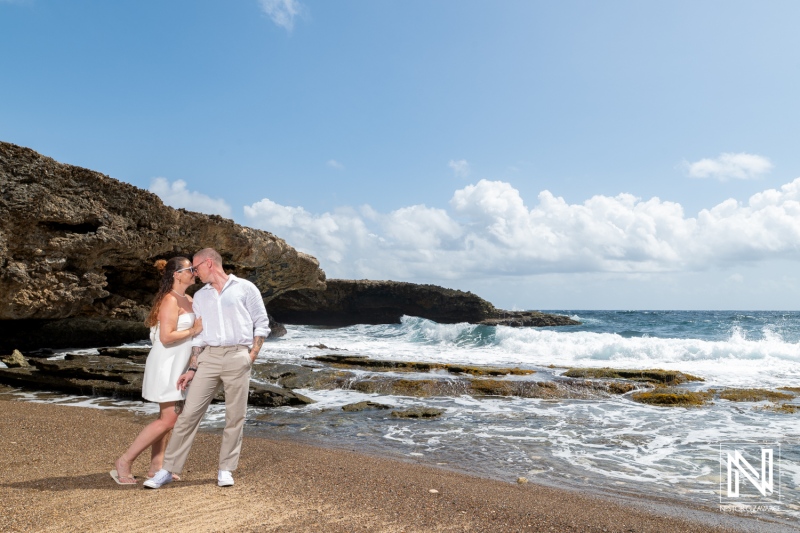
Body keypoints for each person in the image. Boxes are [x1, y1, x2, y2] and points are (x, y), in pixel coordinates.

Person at [144, 248, 269, 489]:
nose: (195, 273)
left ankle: (226, 469)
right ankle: (167, 470)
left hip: (237, 355)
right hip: (209, 357)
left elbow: (261, 324)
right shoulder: (201, 296)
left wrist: (250, 356)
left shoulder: (246, 288)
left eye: (196, 268)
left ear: (208, 263)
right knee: (189, 415)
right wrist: (192, 369)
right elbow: (199, 337)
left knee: (235, 416)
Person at [110, 257, 203, 485]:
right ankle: (124, 461)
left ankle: (156, 467)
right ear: (177, 274)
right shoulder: (170, 300)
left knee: (169, 417)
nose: (194, 272)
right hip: (166, 363)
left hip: (179, 365)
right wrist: (194, 329)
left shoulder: (189, 299)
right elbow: (166, 337)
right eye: (190, 268)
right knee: (169, 419)